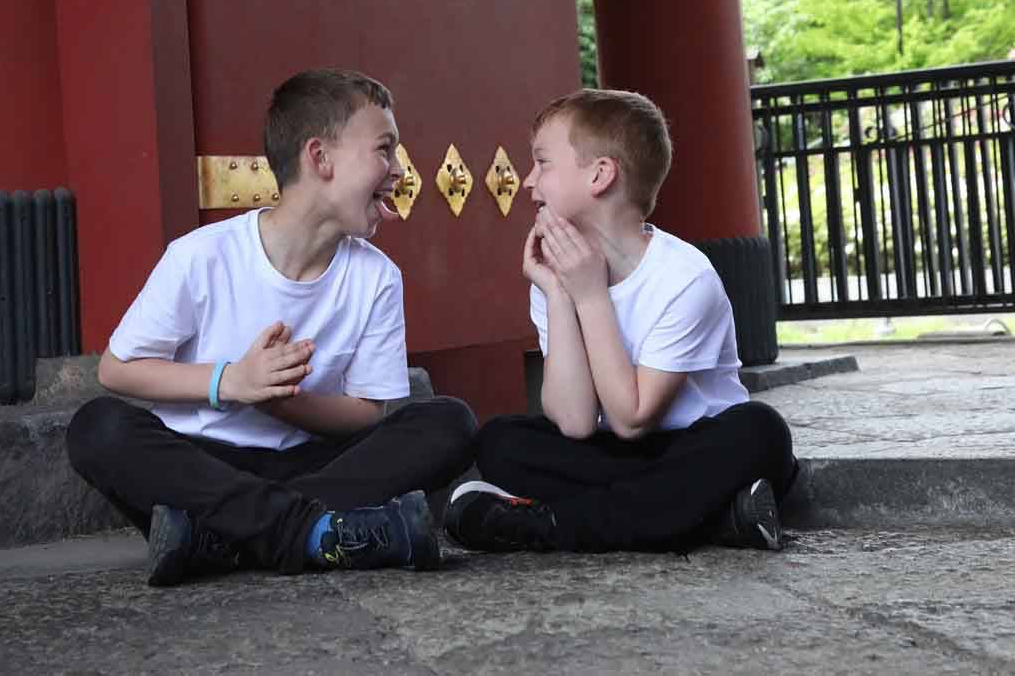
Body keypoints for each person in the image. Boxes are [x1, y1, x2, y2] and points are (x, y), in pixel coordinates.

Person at [68, 69, 476, 585]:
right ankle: (316, 532)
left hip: (312, 468)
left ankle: (219, 539)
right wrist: (231, 382)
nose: (398, 169)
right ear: (319, 158)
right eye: (384, 149)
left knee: (449, 423)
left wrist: (279, 401)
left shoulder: (377, 277)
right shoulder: (202, 256)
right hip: (205, 467)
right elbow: (118, 369)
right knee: (97, 428)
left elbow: (367, 413)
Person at [444, 88, 795, 556]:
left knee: (760, 431)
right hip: (614, 456)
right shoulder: (556, 274)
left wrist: (590, 296)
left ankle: (551, 525)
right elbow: (573, 423)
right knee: (501, 441)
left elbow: (632, 418)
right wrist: (556, 293)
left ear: (600, 175)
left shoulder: (683, 276)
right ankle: (715, 518)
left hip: (694, 446)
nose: (529, 181)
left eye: (543, 163)